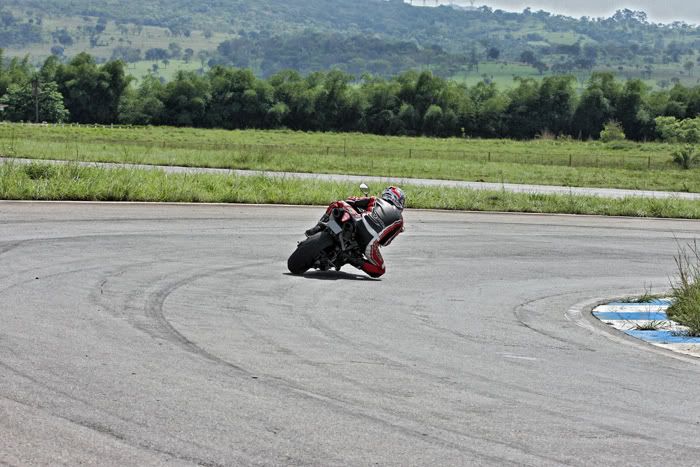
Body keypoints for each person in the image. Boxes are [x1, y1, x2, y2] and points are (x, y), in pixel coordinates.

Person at [305, 186, 405, 278]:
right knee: (380, 270)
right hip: (369, 242)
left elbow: (351, 200)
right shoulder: (400, 220)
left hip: (357, 222)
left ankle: (318, 227)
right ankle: (351, 258)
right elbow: (385, 242)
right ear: (399, 201)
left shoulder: (375, 200)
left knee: (338, 203)